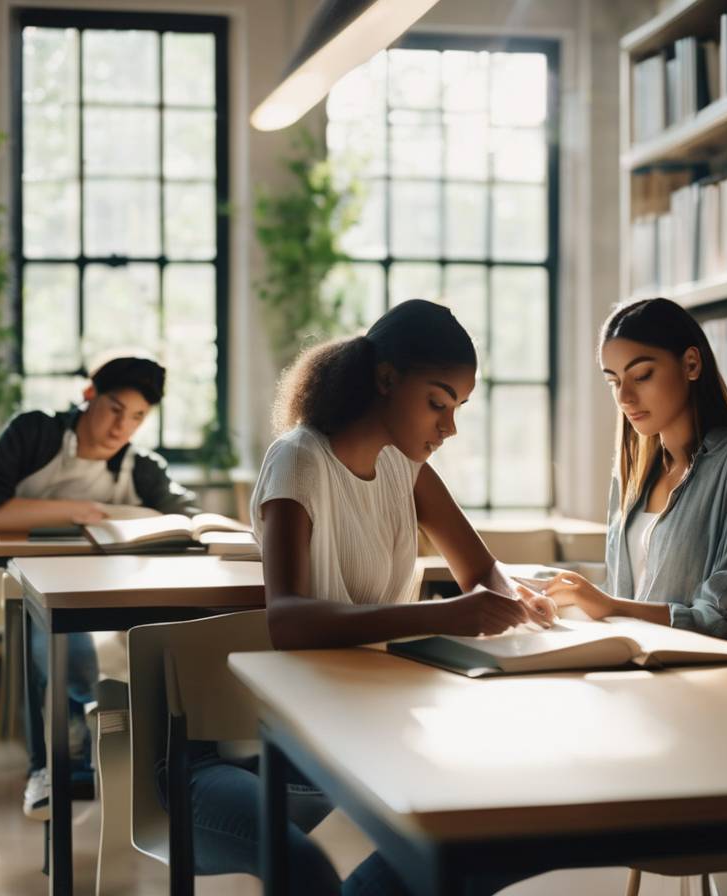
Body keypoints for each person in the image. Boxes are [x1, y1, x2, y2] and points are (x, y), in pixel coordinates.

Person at [179, 300, 558, 895]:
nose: (449, 428)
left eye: (458, 408)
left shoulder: (406, 469)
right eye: (438, 403)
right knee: (320, 867)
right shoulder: (299, 459)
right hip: (246, 743)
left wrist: (518, 599)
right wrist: (443, 614)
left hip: (347, 718)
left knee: (491, 833)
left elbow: (483, 570)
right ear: (385, 379)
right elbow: (287, 619)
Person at [0, 355, 200, 820]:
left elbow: (185, 514)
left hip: (97, 583)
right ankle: (49, 767)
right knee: (54, 638)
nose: (121, 428)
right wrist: (78, 511)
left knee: (162, 636)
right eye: (115, 410)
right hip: (19, 577)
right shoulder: (35, 432)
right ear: (89, 395)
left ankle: (141, 760)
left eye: (137, 418)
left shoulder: (140, 466)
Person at [540, 298, 727, 640]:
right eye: (614, 381)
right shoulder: (631, 474)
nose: (625, 397)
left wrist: (613, 607)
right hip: (633, 659)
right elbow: (628, 594)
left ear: (691, 364)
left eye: (642, 375)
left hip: (716, 666)